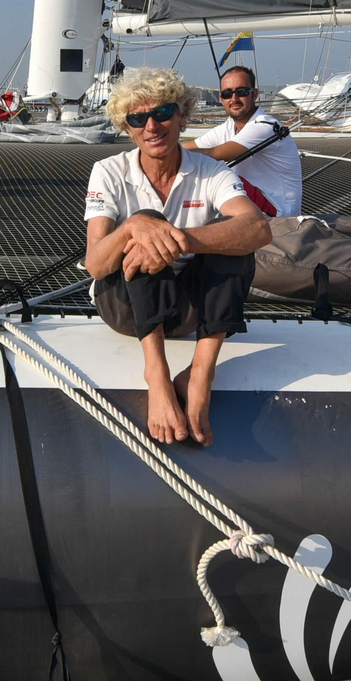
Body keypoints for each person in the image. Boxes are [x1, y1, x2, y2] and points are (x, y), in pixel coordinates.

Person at [84, 67, 271, 447]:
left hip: (189, 309)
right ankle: (157, 372)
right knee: (145, 226)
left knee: (232, 236)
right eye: (138, 118)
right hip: (126, 308)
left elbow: (259, 229)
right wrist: (132, 227)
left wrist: (181, 239)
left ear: (182, 116)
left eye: (163, 113)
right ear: (128, 128)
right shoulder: (108, 172)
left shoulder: (211, 172)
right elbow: (97, 265)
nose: (152, 125)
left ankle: (201, 372)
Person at [183, 65, 302, 217]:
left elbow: (213, 154)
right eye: (227, 93)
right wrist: (148, 151)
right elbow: (191, 146)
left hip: (279, 215)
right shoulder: (228, 127)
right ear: (221, 98)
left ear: (254, 94)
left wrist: (168, 154)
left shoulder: (265, 126)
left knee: (216, 173)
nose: (234, 99)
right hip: (250, 204)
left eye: (241, 92)